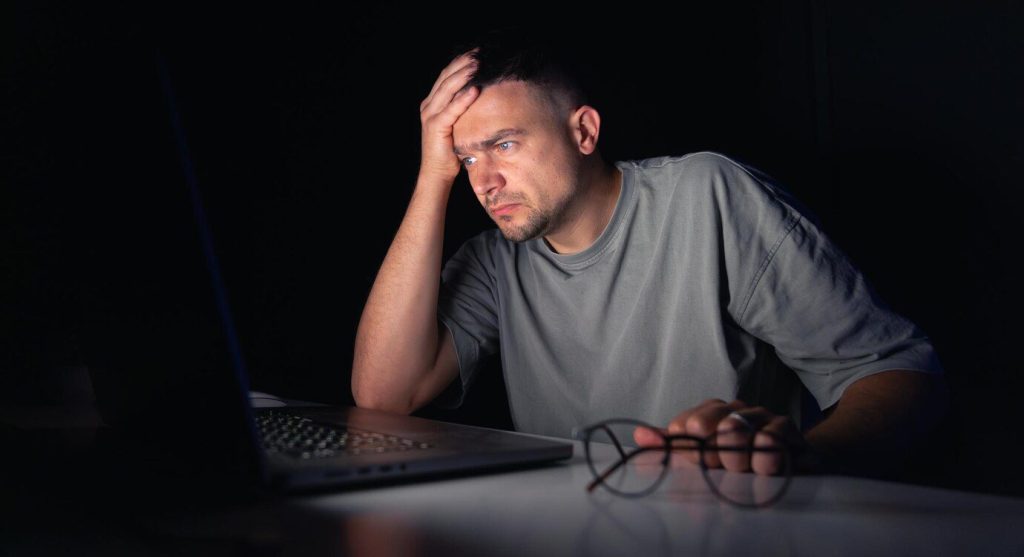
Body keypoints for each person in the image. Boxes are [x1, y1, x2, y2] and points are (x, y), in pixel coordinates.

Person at [351, 28, 948, 477]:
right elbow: (383, 397)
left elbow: (899, 373)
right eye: (467, 158)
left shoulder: (707, 194)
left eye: (504, 145)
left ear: (584, 132)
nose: (485, 182)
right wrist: (433, 175)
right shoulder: (493, 260)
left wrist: (800, 456)